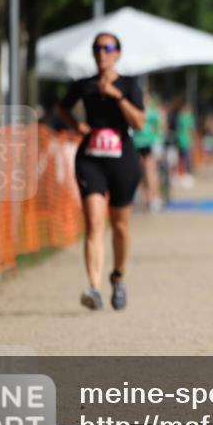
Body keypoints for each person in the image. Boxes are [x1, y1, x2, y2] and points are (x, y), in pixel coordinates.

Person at [56, 32, 146, 311]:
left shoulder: (129, 85)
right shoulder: (84, 85)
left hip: (123, 159)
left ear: (118, 53)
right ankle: (94, 288)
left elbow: (140, 122)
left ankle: (118, 276)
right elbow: (61, 108)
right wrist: (76, 125)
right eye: (97, 48)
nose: (102, 53)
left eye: (108, 48)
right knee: (94, 224)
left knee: (119, 225)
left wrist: (117, 96)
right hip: (91, 159)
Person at [133, 91, 164, 213]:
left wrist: (157, 141)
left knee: (150, 171)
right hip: (137, 144)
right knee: (142, 172)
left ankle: (154, 197)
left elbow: (159, 127)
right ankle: (147, 197)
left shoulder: (151, 112)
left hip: (148, 144)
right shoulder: (136, 111)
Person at [175, 101, 196, 188]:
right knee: (187, 158)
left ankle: (181, 175)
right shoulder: (189, 118)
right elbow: (191, 130)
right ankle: (186, 175)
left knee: (181, 158)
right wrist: (193, 140)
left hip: (180, 140)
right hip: (186, 141)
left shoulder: (179, 117)